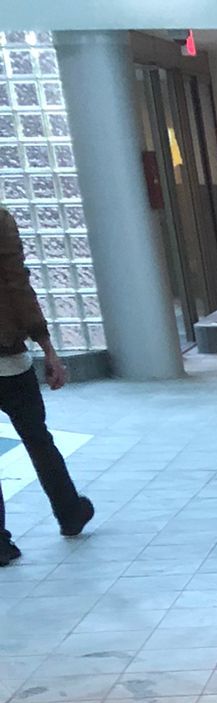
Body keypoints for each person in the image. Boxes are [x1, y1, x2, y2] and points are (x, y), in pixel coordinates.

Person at [0, 204, 94, 566]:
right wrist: (47, 347)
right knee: (37, 438)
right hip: (7, 356)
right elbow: (16, 283)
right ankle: (69, 512)